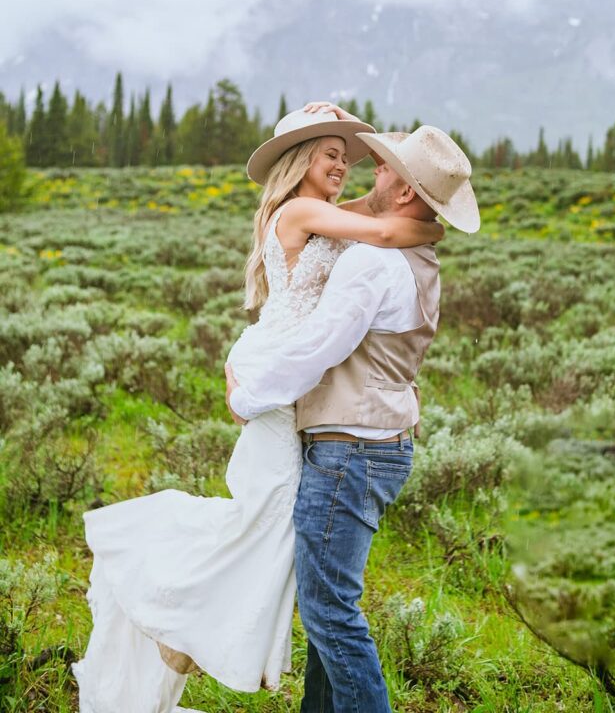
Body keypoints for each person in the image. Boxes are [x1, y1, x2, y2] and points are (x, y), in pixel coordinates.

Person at [73, 106, 442, 713]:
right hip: (288, 387)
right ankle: (182, 614)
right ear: (299, 162)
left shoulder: (330, 220)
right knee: (274, 534)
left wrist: (358, 142)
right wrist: (430, 225)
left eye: (352, 161)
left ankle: (187, 621)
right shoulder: (300, 212)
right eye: (331, 156)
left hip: (309, 402)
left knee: (287, 554)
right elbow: (381, 230)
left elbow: (376, 223)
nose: (347, 167)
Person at [225, 112, 480, 713]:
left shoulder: (372, 259)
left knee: (329, 610)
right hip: (370, 440)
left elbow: (320, 348)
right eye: (334, 156)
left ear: (406, 190)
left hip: (350, 447)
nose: (368, 170)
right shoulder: (415, 258)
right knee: (326, 605)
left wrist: (244, 396)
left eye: (383, 165)